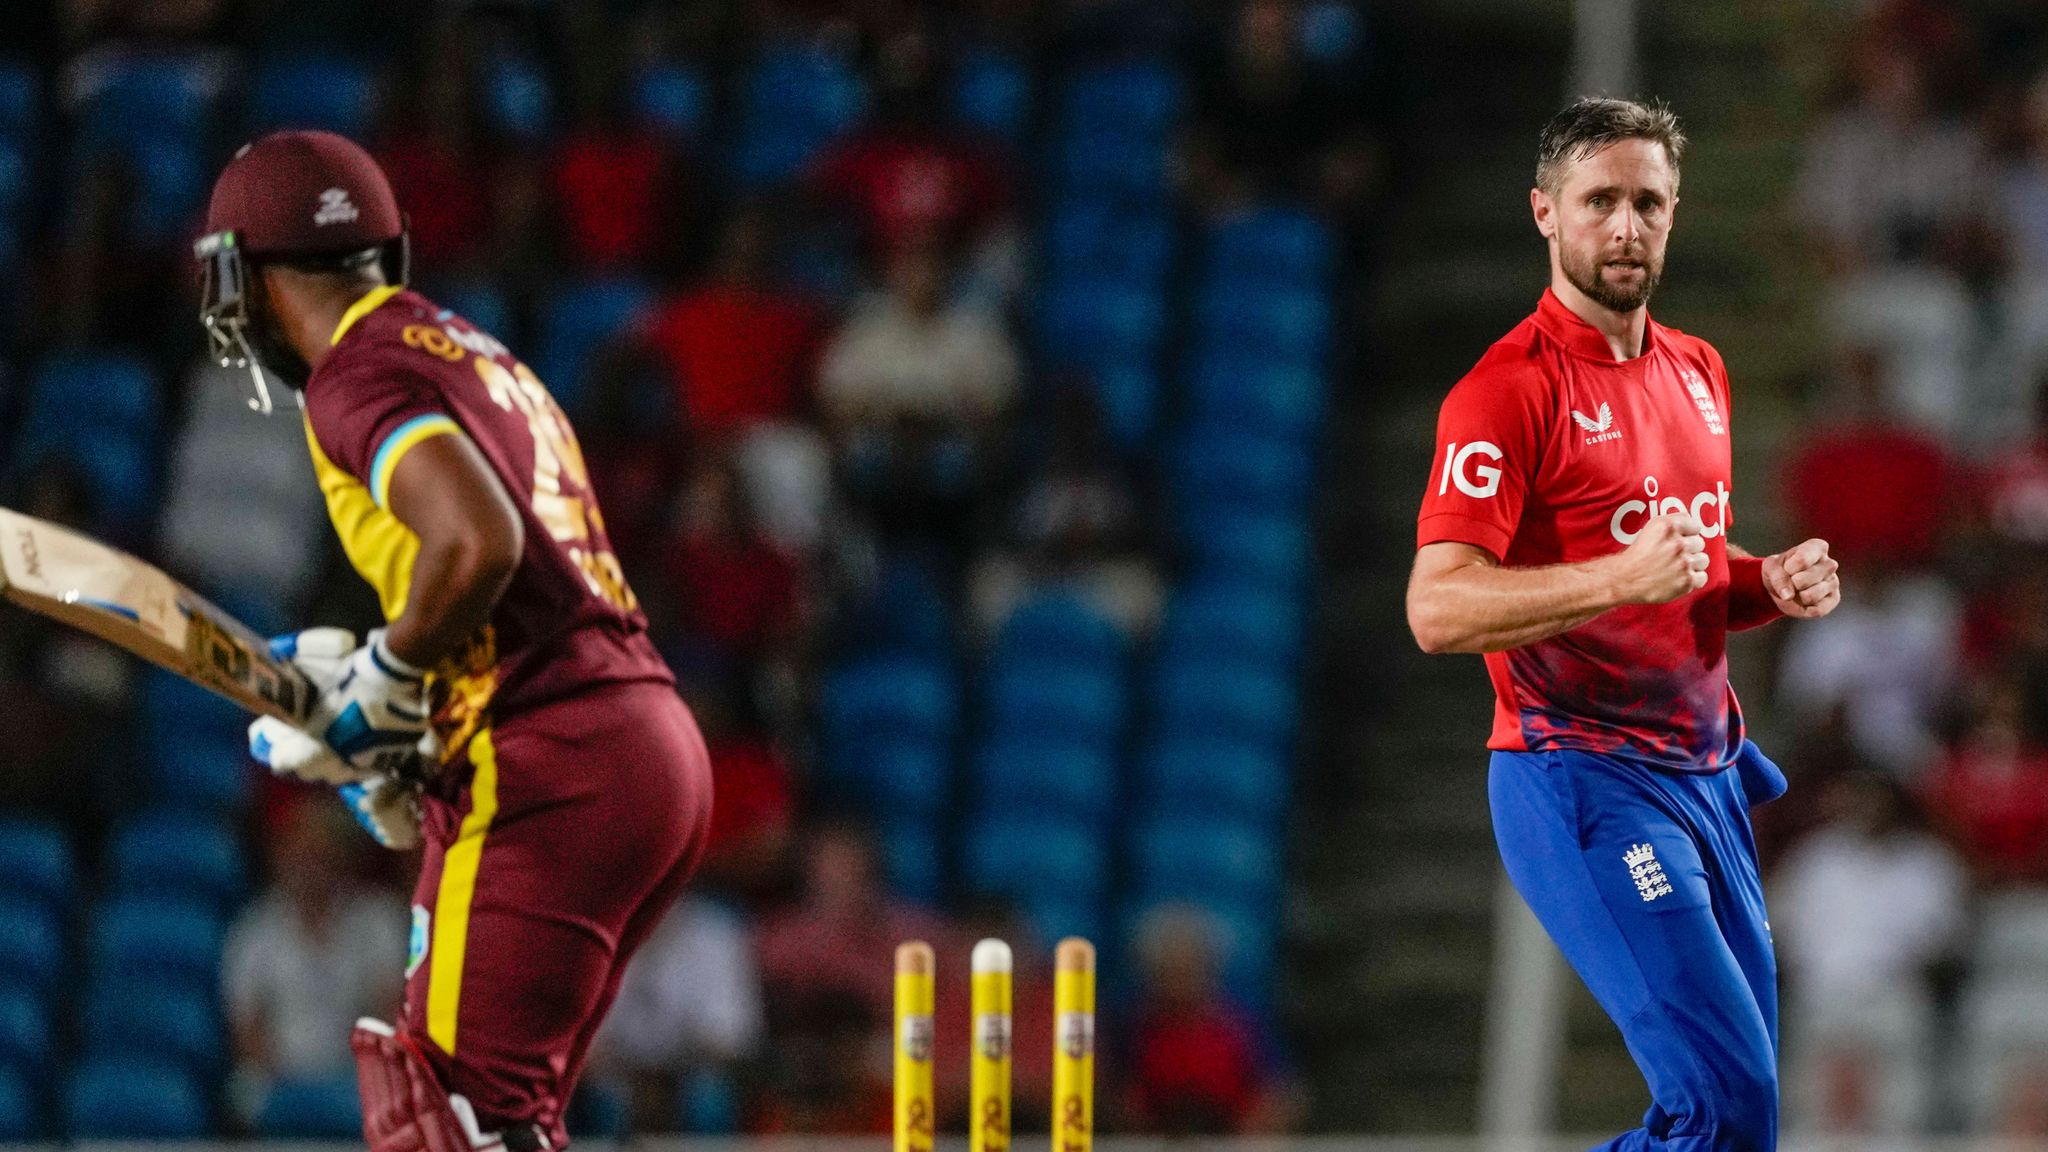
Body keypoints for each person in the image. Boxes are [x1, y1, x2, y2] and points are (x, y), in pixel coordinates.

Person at [193, 130, 714, 1151]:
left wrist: (387, 673)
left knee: (446, 1130)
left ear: (244, 277)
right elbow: (524, 594)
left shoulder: (353, 373)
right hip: (636, 740)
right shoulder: (461, 347)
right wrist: (411, 731)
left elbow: (479, 542)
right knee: (502, 1126)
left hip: (550, 761)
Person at [1405, 98, 1844, 1151]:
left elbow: (1682, 568)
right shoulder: (1503, 392)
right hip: (1582, 775)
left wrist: (1762, 581)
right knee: (1720, 1107)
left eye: (1646, 202)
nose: (1624, 225)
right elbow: (1436, 606)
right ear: (1544, 213)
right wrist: (1614, 578)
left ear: (1673, 212)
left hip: (1709, 777)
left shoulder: (1698, 371)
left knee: (1738, 1128)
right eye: (1597, 201)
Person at [224, 798, 408, 1127]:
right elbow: (247, 1028)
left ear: (343, 860)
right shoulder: (256, 928)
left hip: (354, 1075)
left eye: (321, 856)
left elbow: (389, 1013)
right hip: (278, 1077)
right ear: (280, 859)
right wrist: (290, 1087)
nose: (309, 867)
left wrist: (353, 1079)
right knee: (244, 1091)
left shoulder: (378, 920)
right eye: (300, 855)